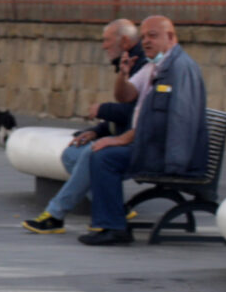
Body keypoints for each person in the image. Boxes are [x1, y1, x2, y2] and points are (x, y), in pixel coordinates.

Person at [79, 15, 208, 246]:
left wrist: (122, 139)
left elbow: (174, 121)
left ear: (170, 37)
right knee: (101, 153)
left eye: (153, 36)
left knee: (105, 157)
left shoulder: (179, 69)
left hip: (169, 156)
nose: (146, 41)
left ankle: (113, 227)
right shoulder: (154, 65)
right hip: (154, 147)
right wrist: (123, 74)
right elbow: (125, 96)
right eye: (144, 36)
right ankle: (111, 223)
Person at [22, 18, 145, 234]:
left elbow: (141, 115)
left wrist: (103, 110)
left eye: (107, 40)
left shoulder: (144, 65)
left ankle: (55, 214)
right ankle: (115, 207)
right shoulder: (130, 61)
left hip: (143, 146)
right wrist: (96, 131)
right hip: (129, 138)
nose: (103, 45)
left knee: (91, 154)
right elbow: (129, 114)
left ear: (124, 41)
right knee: (71, 153)